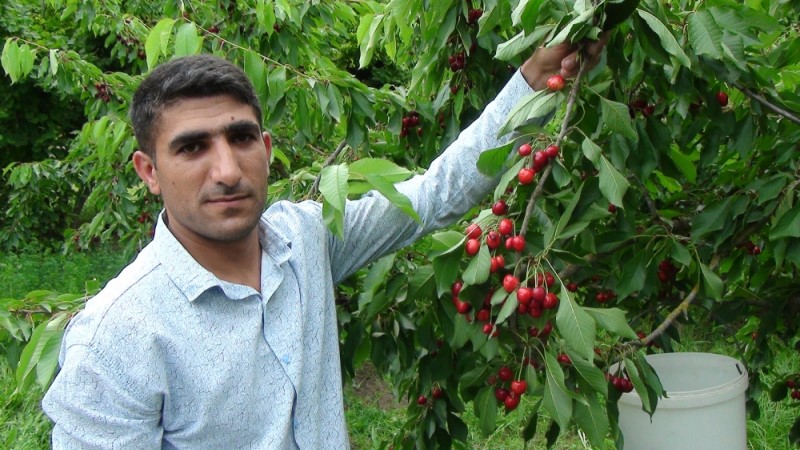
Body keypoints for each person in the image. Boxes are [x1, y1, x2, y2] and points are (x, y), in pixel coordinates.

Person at [41, 36, 607, 448]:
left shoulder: (304, 239)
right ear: (148, 171)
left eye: (241, 139)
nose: (227, 171)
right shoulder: (115, 342)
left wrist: (532, 82)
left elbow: (434, 194)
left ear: (266, 148)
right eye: (192, 148)